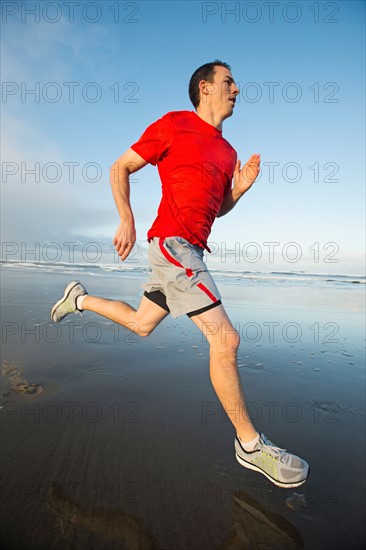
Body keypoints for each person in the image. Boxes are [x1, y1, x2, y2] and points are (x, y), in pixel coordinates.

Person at [51, 61, 309, 488]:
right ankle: (249, 445)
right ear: (205, 88)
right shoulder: (174, 125)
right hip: (173, 246)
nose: (237, 90)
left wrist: (239, 188)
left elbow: (216, 208)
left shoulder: (227, 152)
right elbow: (119, 168)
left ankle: (78, 298)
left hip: (186, 249)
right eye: (228, 83)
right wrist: (126, 219)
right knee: (226, 339)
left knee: (140, 323)